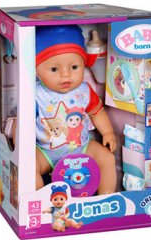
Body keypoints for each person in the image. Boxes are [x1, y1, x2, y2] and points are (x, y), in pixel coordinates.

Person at [33, 25, 117, 194]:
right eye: (54, 69)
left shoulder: (84, 91)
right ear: (37, 70)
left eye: (74, 67)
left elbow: (97, 112)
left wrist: (108, 132)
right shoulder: (36, 94)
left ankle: (106, 198)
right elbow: (23, 122)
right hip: (45, 152)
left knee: (107, 158)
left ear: (83, 64)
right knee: (28, 166)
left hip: (82, 148)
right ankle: (42, 202)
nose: (66, 75)